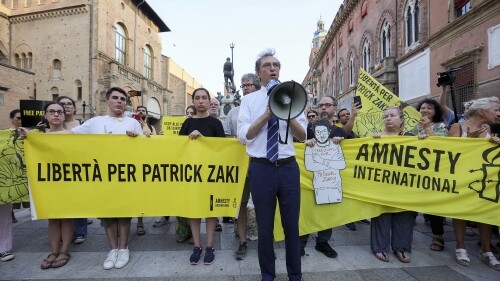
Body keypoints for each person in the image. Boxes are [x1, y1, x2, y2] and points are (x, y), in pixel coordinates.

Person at [237, 49, 307, 281]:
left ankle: (294, 275)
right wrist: (266, 115)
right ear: (259, 73)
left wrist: (288, 113)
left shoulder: (293, 97)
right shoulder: (248, 100)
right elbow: (243, 135)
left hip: (287, 168)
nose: (272, 68)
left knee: (291, 226)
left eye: (276, 65)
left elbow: (302, 136)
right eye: (267, 65)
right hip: (261, 168)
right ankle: (268, 275)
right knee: (265, 228)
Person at [70, 87, 144, 270]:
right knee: (107, 214)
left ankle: (124, 247)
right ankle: (113, 249)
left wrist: (138, 139)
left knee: (124, 213)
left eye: (122, 99)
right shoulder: (95, 122)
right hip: (102, 176)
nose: (119, 101)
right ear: (107, 100)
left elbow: (144, 149)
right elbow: (69, 136)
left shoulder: (133, 123)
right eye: (115, 98)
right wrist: (36, 136)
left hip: (126, 175)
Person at [448, 96, 500, 270]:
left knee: (485, 212)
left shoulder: (487, 128)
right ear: (481, 111)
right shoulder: (457, 127)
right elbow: (448, 154)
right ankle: (460, 246)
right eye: (496, 110)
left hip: (484, 178)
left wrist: (494, 144)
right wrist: (468, 141)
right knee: (460, 212)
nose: (498, 114)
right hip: (462, 179)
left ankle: (486, 249)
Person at [179, 88, 225, 265]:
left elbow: (222, 149)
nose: (200, 101)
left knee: (210, 211)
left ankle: (210, 246)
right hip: (191, 174)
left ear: (208, 101)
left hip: (211, 174)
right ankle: (197, 246)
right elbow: (179, 148)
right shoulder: (187, 123)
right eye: (197, 98)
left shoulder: (216, 123)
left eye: (204, 98)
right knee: (194, 210)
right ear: (193, 101)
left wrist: (203, 139)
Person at [223, 73, 261, 260]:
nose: (246, 88)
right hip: (239, 166)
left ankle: (265, 241)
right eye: (243, 85)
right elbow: (226, 137)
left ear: (258, 86)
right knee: (241, 204)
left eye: (250, 85)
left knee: (264, 204)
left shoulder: (266, 108)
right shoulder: (232, 112)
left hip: (260, 164)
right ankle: (242, 241)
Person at [371, 106, 415, 263]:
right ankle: (380, 248)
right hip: (383, 184)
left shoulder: (412, 138)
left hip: (405, 185)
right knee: (382, 215)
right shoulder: (375, 138)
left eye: (392, 115)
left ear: (401, 119)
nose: (388, 118)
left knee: (404, 215)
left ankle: (401, 248)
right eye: (385, 116)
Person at [301, 96, 344, 256]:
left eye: (327, 105)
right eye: (321, 105)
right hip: (309, 179)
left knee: (327, 210)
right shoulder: (308, 128)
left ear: (335, 107)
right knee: (306, 209)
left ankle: (323, 242)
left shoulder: (339, 131)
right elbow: (298, 146)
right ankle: (301, 242)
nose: (324, 108)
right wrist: (304, 143)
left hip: (331, 182)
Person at [34, 102, 75, 269]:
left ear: (64, 115)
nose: (56, 114)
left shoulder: (72, 134)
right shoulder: (37, 137)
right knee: (52, 217)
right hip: (48, 182)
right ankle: (54, 250)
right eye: (52, 111)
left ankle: (64, 250)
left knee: (66, 216)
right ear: (45, 115)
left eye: (59, 112)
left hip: (68, 181)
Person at [56, 96, 89, 245]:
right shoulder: (52, 125)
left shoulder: (83, 125)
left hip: (79, 167)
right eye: (62, 104)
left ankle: (80, 231)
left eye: (69, 104)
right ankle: (62, 232)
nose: (66, 106)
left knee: (78, 200)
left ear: (74, 108)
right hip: (58, 168)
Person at [337, 105, 370, 229]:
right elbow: (346, 132)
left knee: (359, 193)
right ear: (339, 119)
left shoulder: (358, 126)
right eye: (343, 115)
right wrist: (353, 116)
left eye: (347, 114)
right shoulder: (339, 129)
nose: (346, 116)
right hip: (346, 167)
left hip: (359, 166)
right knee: (347, 194)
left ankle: (358, 216)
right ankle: (347, 218)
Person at [8, 109, 21, 224]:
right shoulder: (6, 135)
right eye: (18, 118)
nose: (21, 121)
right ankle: (10, 212)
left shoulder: (30, 133)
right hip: (11, 167)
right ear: (12, 120)